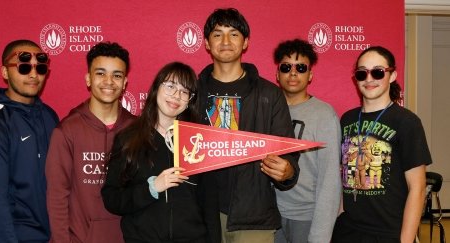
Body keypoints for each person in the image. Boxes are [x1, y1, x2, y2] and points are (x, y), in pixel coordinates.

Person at [196, 8, 300, 243]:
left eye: (233, 34)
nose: (225, 41)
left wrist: (287, 171)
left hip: (253, 216)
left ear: (245, 43)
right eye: (217, 34)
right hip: (200, 214)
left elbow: (289, 153)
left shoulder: (269, 94)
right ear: (206, 43)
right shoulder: (193, 91)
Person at [331, 46, 431, 243]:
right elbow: (342, 175)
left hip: (387, 233)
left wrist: (407, 240)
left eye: (377, 72)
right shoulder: (347, 119)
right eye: (362, 73)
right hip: (347, 230)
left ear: (392, 75)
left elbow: (417, 188)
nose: (369, 79)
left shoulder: (407, 122)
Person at [101, 62, 207, 243]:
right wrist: (151, 188)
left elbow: (209, 202)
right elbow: (112, 198)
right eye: (171, 86)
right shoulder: (128, 139)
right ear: (157, 88)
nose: (176, 96)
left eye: (184, 91)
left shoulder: (199, 140)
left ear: (190, 100)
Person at [0, 39, 59, 242]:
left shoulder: (49, 116)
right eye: (24, 67)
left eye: (40, 67)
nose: (33, 74)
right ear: (5, 72)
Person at [45, 42, 135, 243]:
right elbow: (57, 197)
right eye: (101, 73)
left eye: (117, 75)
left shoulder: (136, 131)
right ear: (88, 78)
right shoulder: (66, 131)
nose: (109, 81)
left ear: (125, 82)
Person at [272, 38, 341, 243]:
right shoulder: (267, 109)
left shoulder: (324, 114)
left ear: (310, 75)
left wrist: (320, 235)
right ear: (277, 74)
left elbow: (330, 179)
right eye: (286, 67)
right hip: (270, 215)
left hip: (307, 217)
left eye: (301, 67)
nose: (293, 73)